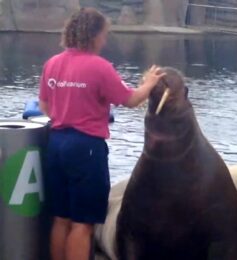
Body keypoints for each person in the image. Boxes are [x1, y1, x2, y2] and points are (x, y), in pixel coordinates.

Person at [38, 7, 165, 260]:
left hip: (56, 144)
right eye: (104, 35)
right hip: (86, 148)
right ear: (93, 35)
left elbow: (44, 106)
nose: (104, 41)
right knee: (82, 223)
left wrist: (68, 110)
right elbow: (130, 100)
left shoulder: (52, 63)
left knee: (61, 218)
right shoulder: (99, 67)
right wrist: (149, 84)